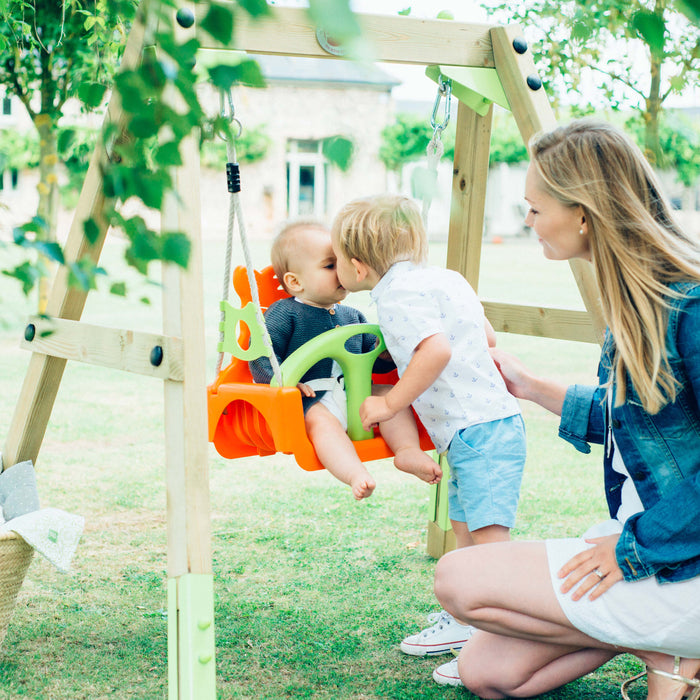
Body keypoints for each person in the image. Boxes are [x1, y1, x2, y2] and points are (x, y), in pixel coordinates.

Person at [430, 118, 700, 697]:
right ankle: (665, 650)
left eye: (534, 207)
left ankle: (674, 639)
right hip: (648, 541)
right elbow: (642, 420)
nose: (527, 220)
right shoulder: (636, 298)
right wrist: (526, 384)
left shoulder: (692, 305)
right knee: (489, 674)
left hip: (679, 556)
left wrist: (634, 549)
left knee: (458, 577)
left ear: (584, 213)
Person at [330, 195, 527, 663]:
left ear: (358, 269)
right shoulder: (445, 278)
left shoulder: (397, 297)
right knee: (465, 530)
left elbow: (434, 351)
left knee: (491, 545)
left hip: (480, 431)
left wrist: (390, 401)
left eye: (335, 258)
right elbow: (488, 337)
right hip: (476, 432)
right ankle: (464, 621)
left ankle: (504, 641)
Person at [249, 219, 442, 501]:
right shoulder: (285, 313)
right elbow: (262, 357)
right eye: (330, 265)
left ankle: (407, 451)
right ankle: (354, 473)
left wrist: (387, 356)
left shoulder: (351, 316)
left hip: (355, 394)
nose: (341, 271)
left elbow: (370, 360)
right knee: (320, 422)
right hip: (311, 397)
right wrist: (286, 384)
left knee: (390, 395)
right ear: (295, 281)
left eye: (341, 262)